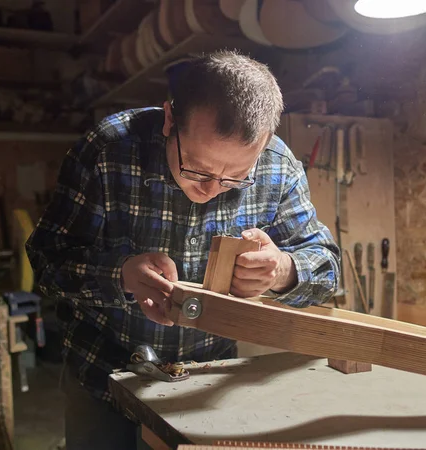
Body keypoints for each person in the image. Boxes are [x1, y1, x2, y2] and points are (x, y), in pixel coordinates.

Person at [26, 50, 340, 450]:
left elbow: (328, 268)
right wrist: (119, 275)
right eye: (196, 167)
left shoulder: (278, 165)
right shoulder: (108, 149)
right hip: (102, 369)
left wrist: (282, 270)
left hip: (209, 376)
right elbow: (45, 259)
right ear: (170, 119)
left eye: (236, 178)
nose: (210, 190)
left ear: (261, 145)